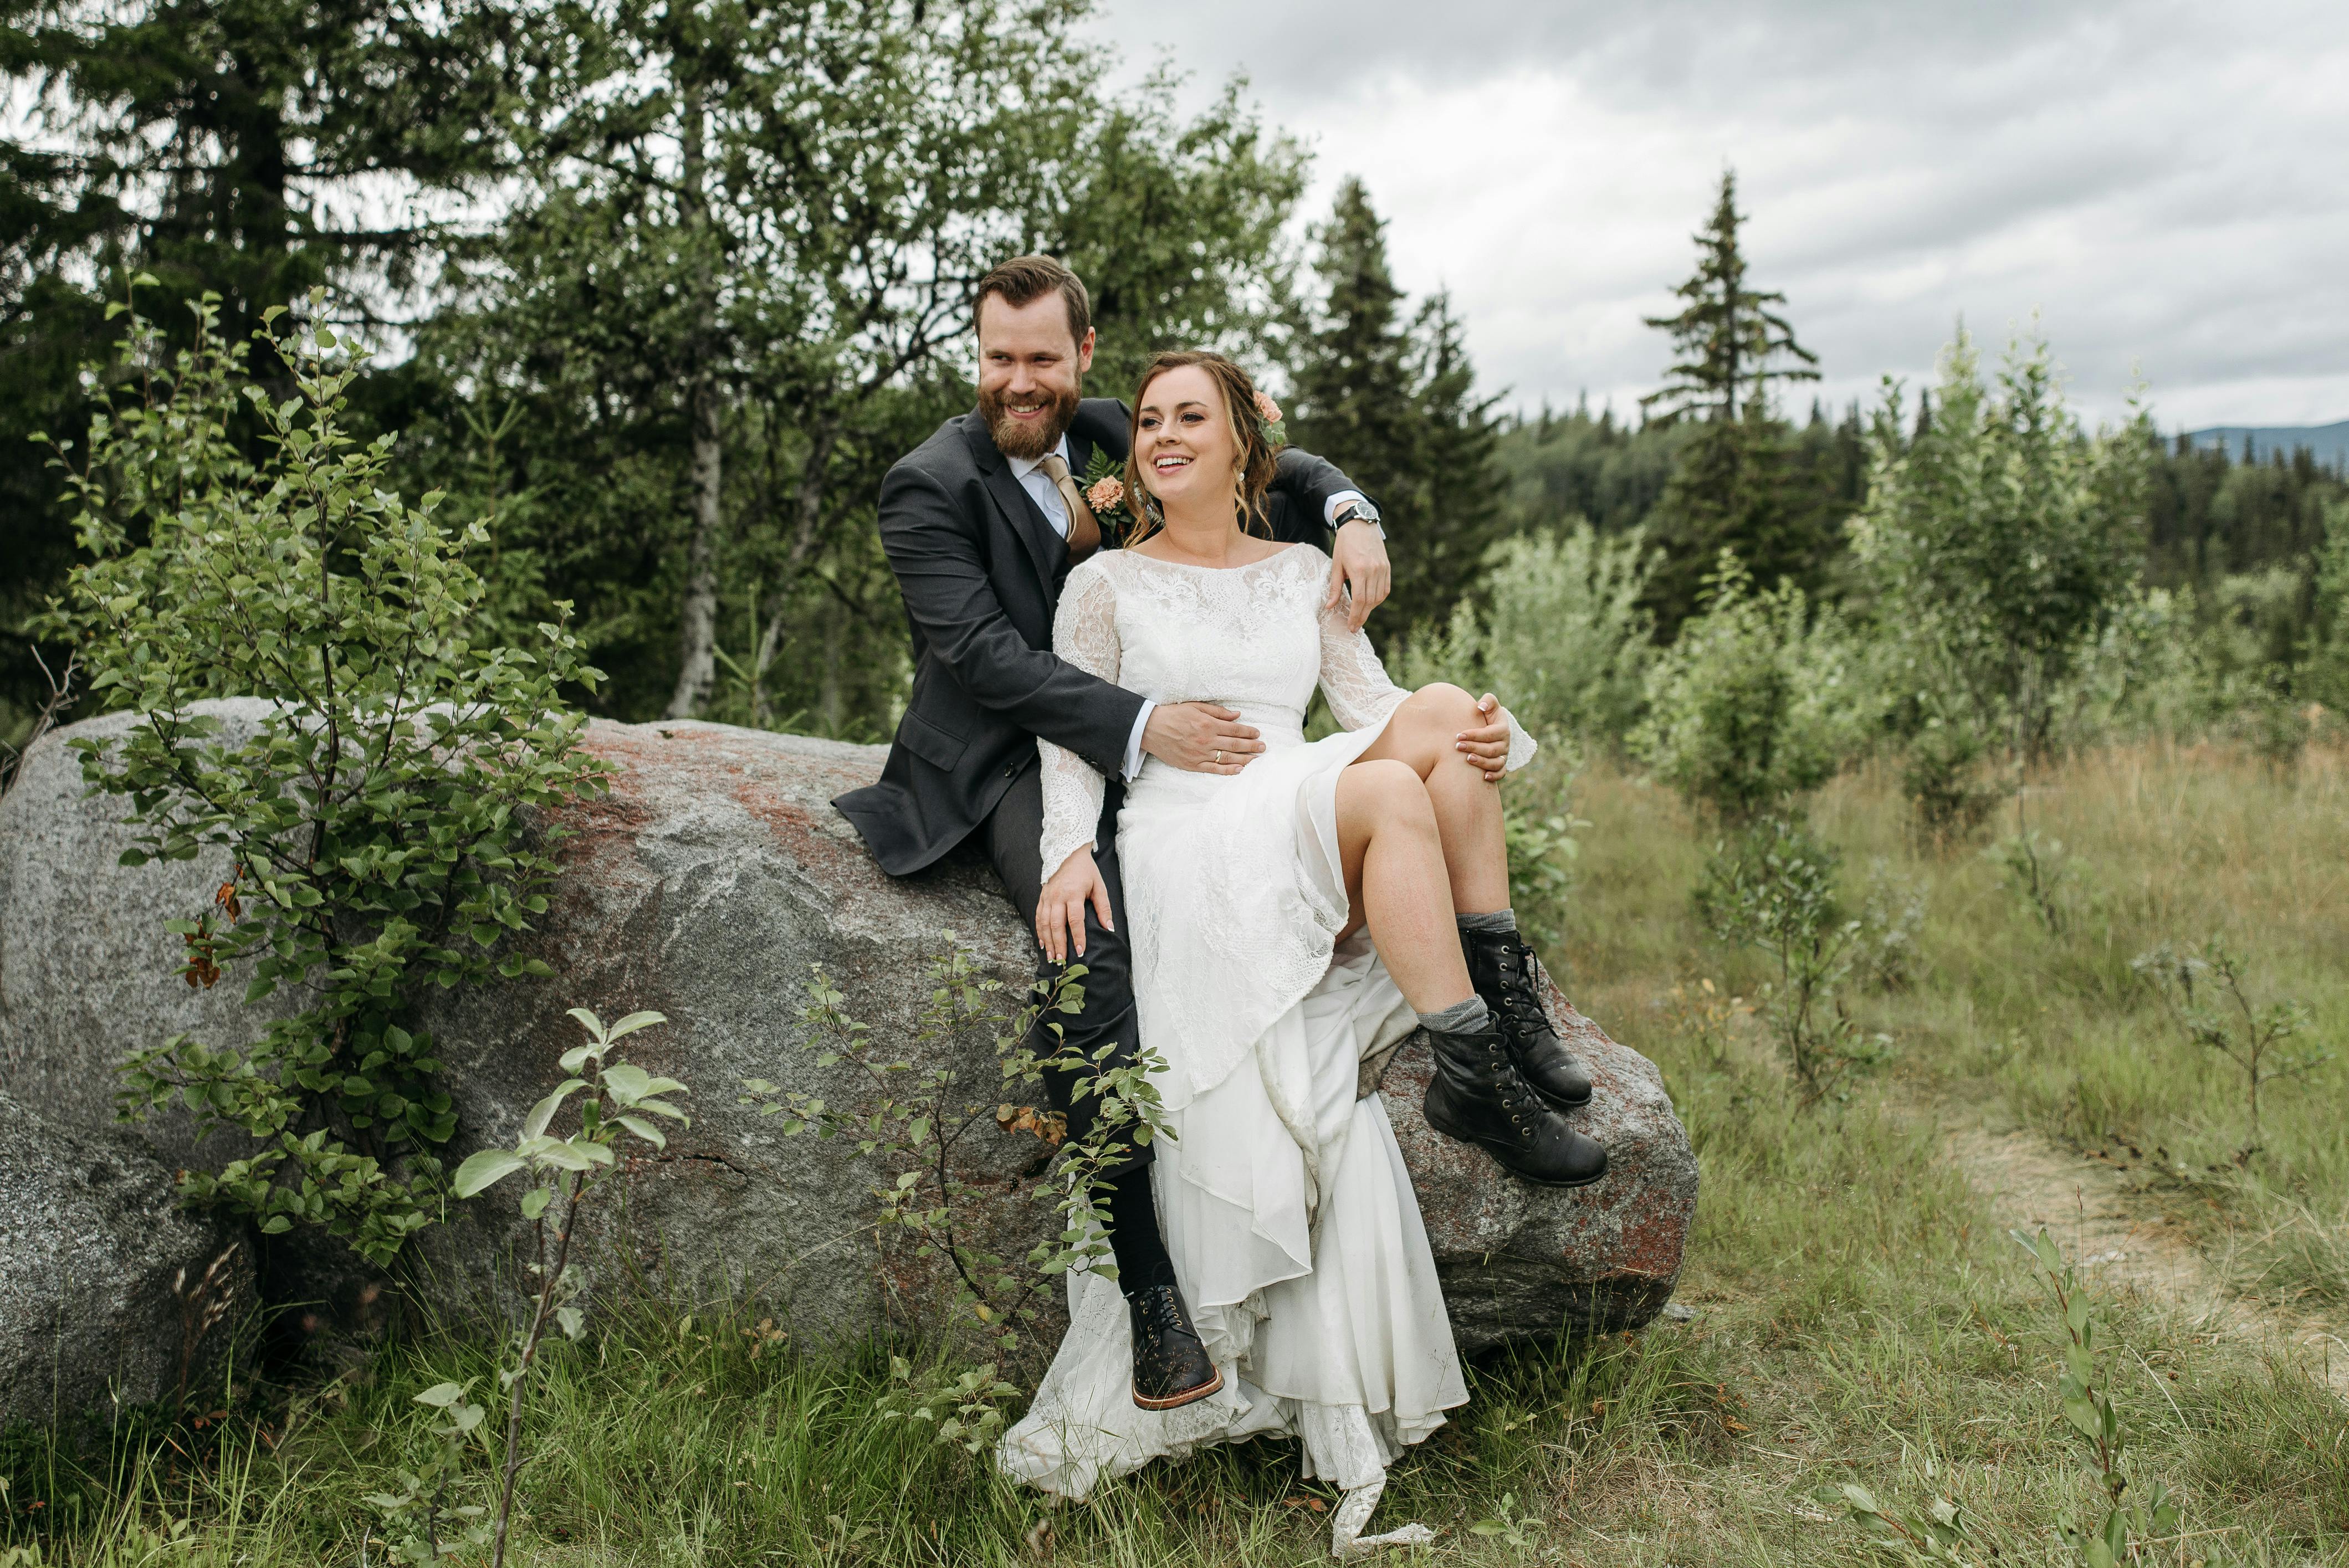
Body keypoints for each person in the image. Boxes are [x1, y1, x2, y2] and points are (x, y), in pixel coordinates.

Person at [995, 351, 1605, 1558]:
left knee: (1435, 719)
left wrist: (1461, 725)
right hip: (1184, 829)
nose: (1162, 435)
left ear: (1241, 445)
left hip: (1282, 790)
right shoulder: (1102, 582)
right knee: (1392, 781)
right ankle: (1481, 1048)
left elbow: (1361, 694)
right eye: (1150, 421)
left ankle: (1493, 1023)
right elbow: (1070, 739)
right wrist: (1069, 853)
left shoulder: (1298, 571)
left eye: (1189, 418)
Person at [832, 256, 1418, 1411]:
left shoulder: (1109, 427)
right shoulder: (926, 482)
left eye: (1041, 359)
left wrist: (1352, 512)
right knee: (1088, 937)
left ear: (1079, 357)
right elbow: (990, 659)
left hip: (1128, 737)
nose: (1019, 381)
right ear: (976, 355)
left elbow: (1270, 461)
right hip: (999, 753)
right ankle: (1150, 1286)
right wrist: (1146, 727)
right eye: (998, 358)